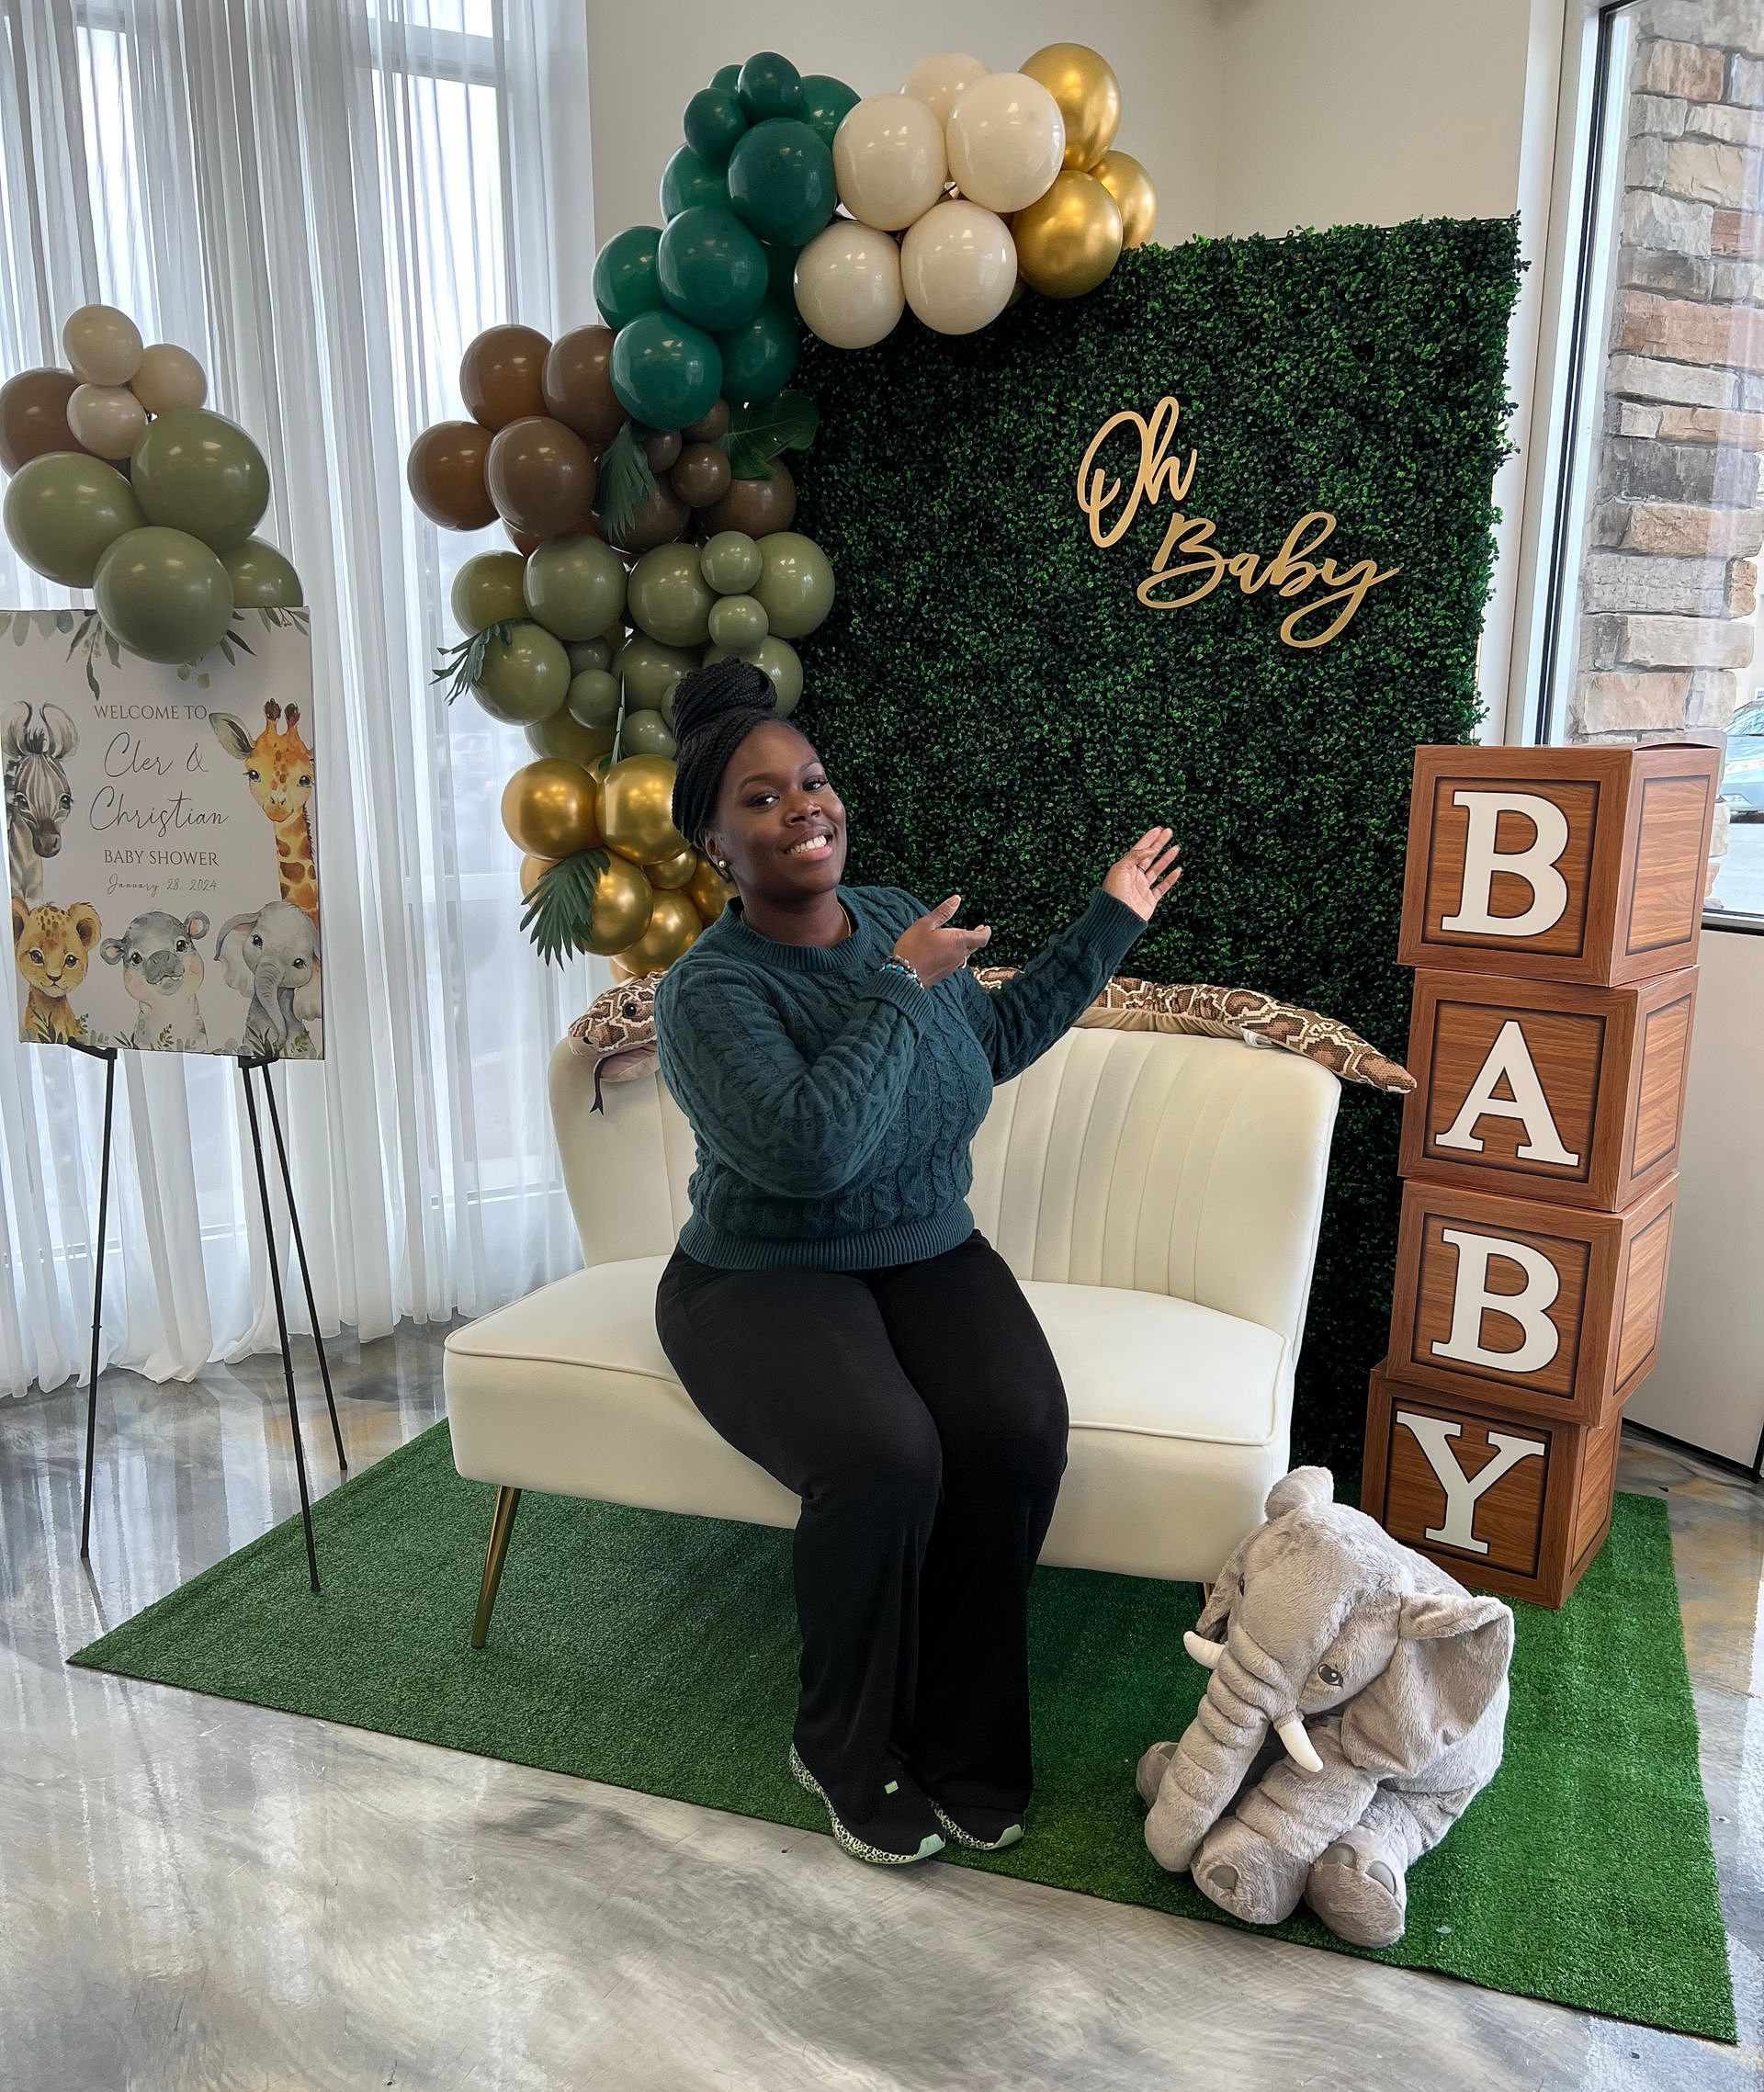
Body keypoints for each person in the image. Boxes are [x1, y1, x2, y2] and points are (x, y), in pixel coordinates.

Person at [651, 658, 1182, 1868]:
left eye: (814, 780)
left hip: (920, 1245)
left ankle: (962, 1736)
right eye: (760, 798)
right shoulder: (708, 994)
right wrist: (897, 985)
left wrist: (1110, 921)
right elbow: (809, 1151)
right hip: (760, 1270)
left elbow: (985, 1042)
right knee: (883, 1453)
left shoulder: (894, 915)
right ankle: (839, 1744)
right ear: (713, 848)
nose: (804, 807)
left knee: (1012, 1426)